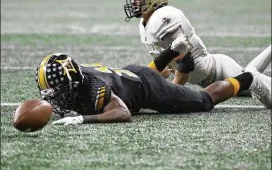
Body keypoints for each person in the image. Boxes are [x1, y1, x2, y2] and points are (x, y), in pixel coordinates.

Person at [123, 0, 271, 108]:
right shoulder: (144, 24)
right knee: (251, 77)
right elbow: (167, 59)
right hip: (207, 79)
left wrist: (173, 92)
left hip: (218, 71)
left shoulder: (163, 16)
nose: (134, 2)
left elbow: (186, 60)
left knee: (256, 83)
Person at [35, 53, 265, 126]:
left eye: (58, 90)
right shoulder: (76, 77)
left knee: (204, 100)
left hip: (147, 87)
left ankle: (247, 78)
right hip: (131, 76)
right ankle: (170, 55)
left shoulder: (95, 86)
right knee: (151, 80)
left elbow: (123, 113)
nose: (54, 94)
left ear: (73, 82)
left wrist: (83, 119)